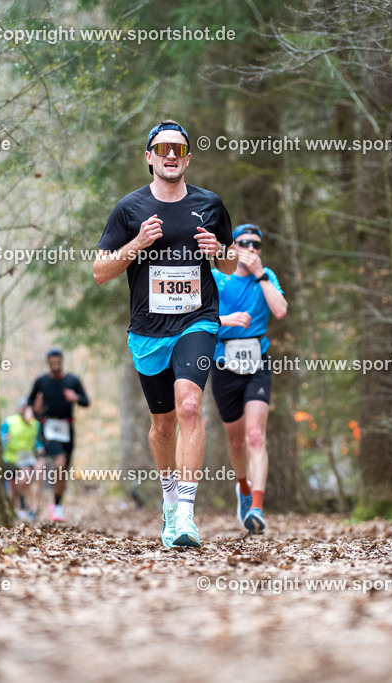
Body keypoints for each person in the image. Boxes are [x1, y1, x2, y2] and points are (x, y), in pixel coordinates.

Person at [93, 119, 236, 548]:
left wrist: (220, 253)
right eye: (163, 149)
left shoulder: (210, 204)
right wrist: (136, 243)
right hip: (148, 330)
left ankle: (187, 516)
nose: (170, 155)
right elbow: (101, 272)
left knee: (190, 405)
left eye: (178, 149)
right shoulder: (130, 208)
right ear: (149, 157)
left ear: (188, 158)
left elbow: (228, 265)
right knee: (163, 423)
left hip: (198, 319)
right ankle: (170, 503)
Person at [211, 224, 287, 533]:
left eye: (257, 244)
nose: (251, 249)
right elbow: (196, 318)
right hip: (223, 363)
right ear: (233, 246)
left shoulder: (266, 276)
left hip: (258, 363)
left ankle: (257, 507)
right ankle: (243, 487)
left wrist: (262, 275)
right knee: (237, 441)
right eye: (244, 243)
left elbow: (280, 310)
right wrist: (226, 320)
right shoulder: (218, 277)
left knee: (256, 436)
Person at [25, 349, 90, 522]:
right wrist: (31, 412)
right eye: (52, 363)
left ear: (62, 361)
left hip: (67, 427)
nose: (55, 366)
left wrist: (75, 397)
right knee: (59, 463)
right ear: (48, 362)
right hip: (48, 428)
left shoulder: (72, 380)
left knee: (64, 470)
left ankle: (57, 504)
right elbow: (30, 402)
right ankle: (50, 506)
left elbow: (86, 401)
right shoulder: (41, 381)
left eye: (58, 363)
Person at [0, 398, 39, 520]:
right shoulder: (9, 422)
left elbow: (38, 440)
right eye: (23, 407)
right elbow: (1, 435)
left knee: (23, 481)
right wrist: (3, 439)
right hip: (10, 459)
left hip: (26, 460)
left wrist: (40, 447)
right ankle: (13, 514)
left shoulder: (35, 424)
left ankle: (27, 507)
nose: (25, 409)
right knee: (11, 492)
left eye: (27, 407)